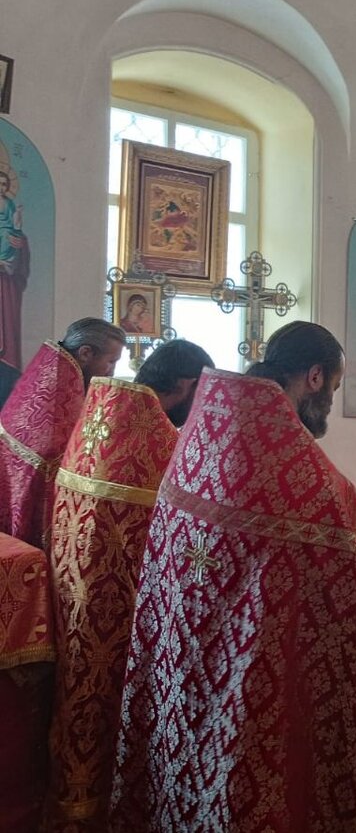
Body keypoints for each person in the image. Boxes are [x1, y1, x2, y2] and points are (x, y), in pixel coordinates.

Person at [111, 322, 356, 832]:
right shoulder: (300, 471)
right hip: (250, 672)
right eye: (331, 389)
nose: (328, 402)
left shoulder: (203, 428)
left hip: (181, 656)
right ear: (314, 376)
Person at [44, 340, 213, 833]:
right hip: (119, 621)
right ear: (186, 386)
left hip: (72, 608)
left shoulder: (98, 416)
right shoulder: (158, 443)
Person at [0, 318, 124, 547]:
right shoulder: (58, 394)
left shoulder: (49, 374)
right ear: (86, 353)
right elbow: (64, 458)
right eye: (111, 361)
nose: (112, 371)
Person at [0, 167, 29, 405]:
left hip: (5, 282)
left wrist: (18, 240)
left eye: (3, 184)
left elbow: (18, 241)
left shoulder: (9, 209)